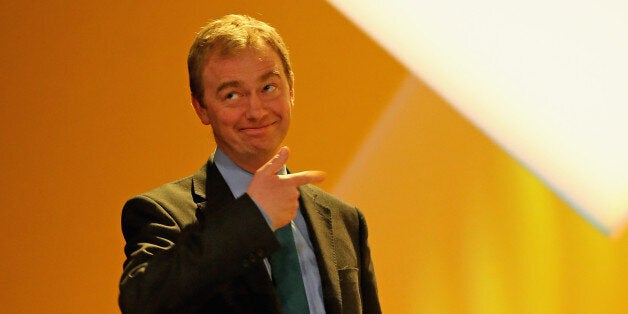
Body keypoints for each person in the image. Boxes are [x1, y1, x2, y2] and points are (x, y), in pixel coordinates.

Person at [119, 14, 380, 314]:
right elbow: (141, 302)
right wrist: (255, 217)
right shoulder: (164, 213)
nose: (255, 110)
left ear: (291, 89)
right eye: (232, 95)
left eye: (268, 88)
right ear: (201, 108)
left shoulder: (344, 219)